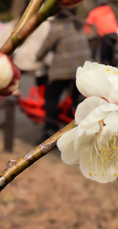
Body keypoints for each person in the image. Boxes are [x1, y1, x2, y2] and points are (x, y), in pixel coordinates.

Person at [35, 8, 91, 140]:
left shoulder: (58, 27)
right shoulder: (79, 25)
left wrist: (37, 57)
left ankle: (50, 131)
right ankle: (80, 130)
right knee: (77, 101)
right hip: (81, 70)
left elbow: (45, 47)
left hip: (62, 71)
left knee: (52, 99)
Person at [84, 0, 118, 66]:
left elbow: (87, 23)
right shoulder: (109, 10)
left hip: (105, 34)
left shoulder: (95, 12)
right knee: (111, 55)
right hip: (115, 33)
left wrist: (85, 33)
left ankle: (105, 71)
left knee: (104, 56)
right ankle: (113, 69)